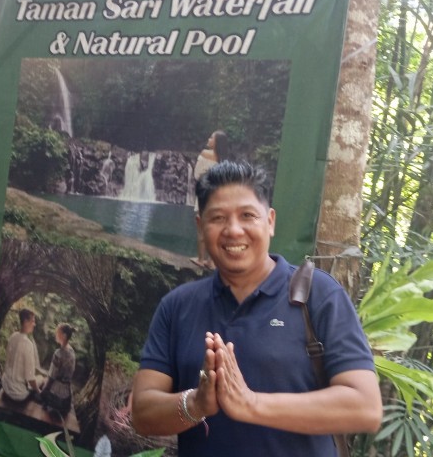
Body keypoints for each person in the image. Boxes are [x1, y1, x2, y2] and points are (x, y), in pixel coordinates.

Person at [132, 160, 382, 456]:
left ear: (270, 221)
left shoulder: (319, 296)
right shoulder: (177, 307)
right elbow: (142, 413)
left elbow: (365, 408)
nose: (233, 230)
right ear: (201, 227)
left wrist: (250, 404)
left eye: (247, 215)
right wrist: (196, 403)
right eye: (218, 218)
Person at [190, 130, 229, 270]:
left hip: (205, 196)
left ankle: (200, 259)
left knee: (202, 229)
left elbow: (196, 175)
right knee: (215, 230)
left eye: (212, 137)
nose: (209, 138)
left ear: (216, 142)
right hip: (219, 200)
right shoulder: (224, 161)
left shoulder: (205, 154)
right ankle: (212, 262)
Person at [0, 308, 45, 402]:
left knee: (32, 379)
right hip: (17, 394)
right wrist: (39, 391)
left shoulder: (13, 336)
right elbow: (30, 378)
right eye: (33, 321)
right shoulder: (28, 344)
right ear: (25, 321)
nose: (34, 324)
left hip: (6, 385)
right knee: (41, 378)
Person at [41, 323, 77, 415]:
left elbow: (51, 377)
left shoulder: (58, 354)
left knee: (37, 389)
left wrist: (43, 392)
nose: (55, 334)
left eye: (58, 332)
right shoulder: (72, 352)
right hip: (67, 399)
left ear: (64, 336)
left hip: (56, 398)